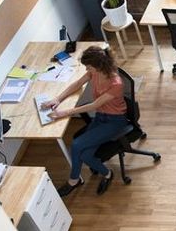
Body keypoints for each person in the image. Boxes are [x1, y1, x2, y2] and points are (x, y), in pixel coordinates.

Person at [41, 46, 127, 197]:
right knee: (85, 155)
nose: (87, 69)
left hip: (114, 121)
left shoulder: (116, 84)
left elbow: (94, 105)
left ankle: (73, 181)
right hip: (100, 117)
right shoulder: (94, 73)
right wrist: (57, 99)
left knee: (76, 144)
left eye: (88, 67)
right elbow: (76, 84)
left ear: (99, 66)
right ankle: (107, 173)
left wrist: (63, 113)